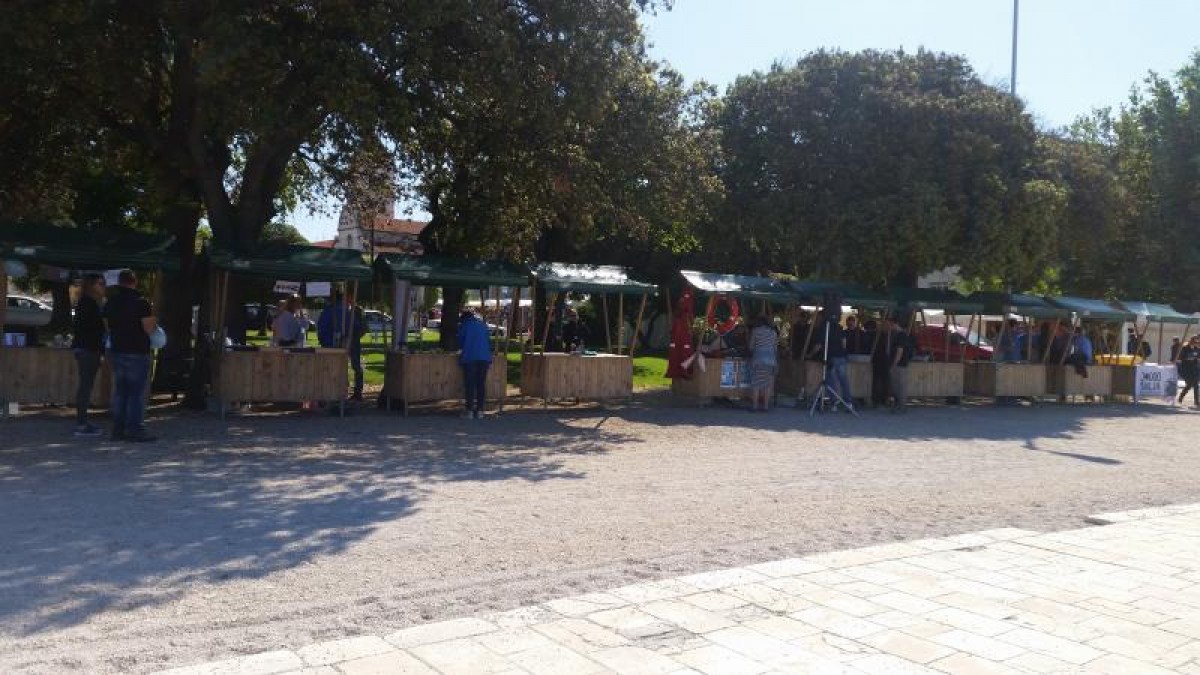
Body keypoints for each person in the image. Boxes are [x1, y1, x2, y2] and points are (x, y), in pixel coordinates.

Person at [103, 269, 157, 442]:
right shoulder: (141, 302)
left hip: (118, 349)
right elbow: (148, 328)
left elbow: (107, 325)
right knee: (136, 393)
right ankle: (135, 429)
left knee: (121, 391)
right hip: (137, 350)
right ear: (134, 282)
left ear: (119, 282)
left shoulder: (111, 301)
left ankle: (118, 429)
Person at [71, 273, 107, 437]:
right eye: (100, 283)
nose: (103, 286)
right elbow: (89, 327)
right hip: (88, 348)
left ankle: (82, 421)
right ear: (92, 285)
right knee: (86, 386)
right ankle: (81, 424)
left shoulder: (88, 302)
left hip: (87, 348)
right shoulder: (88, 303)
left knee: (86, 385)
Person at [317, 291, 366, 400]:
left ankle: (338, 390)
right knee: (355, 366)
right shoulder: (350, 310)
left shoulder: (331, 310)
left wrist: (326, 343)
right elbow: (360, 328)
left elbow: (321, 329)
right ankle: (355, 391)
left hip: (335, 343)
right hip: (350, 341)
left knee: (337, 367)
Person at [457, 308, 492, 419]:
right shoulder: (482, 325)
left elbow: (460, 342)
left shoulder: (464, 326)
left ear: (463, 318)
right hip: (484, 357)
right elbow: (488, 340)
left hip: (470, 357)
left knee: (470, 384)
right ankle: (480, 410)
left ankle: (470, 411)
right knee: (481, 384)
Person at [815, 312, 852, 411]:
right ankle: (848, 403)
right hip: (841, 356)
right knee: (843, 380)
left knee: (831, 380)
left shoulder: (823, 328)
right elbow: (844, 343)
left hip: (831, 357)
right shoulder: (839, 328)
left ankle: (833, 403)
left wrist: (809, 354)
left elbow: (818, 346)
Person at [747, 315, 778, 412]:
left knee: (756, 383)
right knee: (767, 384)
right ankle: (765, 407)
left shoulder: (755, 331)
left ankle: (755, 406)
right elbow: (775, 348)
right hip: (771, 360)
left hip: (758, 359)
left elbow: (751, 346)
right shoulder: (773, 333)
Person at [888, 315, 913, 414]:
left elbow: (899, 351)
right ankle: (899, 405)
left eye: (890, 324)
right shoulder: (901, 335)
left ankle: (901, 406)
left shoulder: (901, 336)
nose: (889, 326)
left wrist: (894, 364)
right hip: (900, 363)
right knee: (898, 386)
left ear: (895, 324)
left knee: (900, 386)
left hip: (900, 364)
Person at [1178, 336, 1200, 407]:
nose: (1197, 343)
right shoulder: (1185, 348)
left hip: (1194, 368)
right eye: (1195, 342)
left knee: (1196, 385)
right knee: (1189, 384)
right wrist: (1187, 358)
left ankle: (1196, 402)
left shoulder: (1197, 349)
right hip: (1186, 369)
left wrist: (1197, 359)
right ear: (1191, 341)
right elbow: (1180, 357)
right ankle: (1181, 397)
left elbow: (1198, 357)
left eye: (1197, 342)